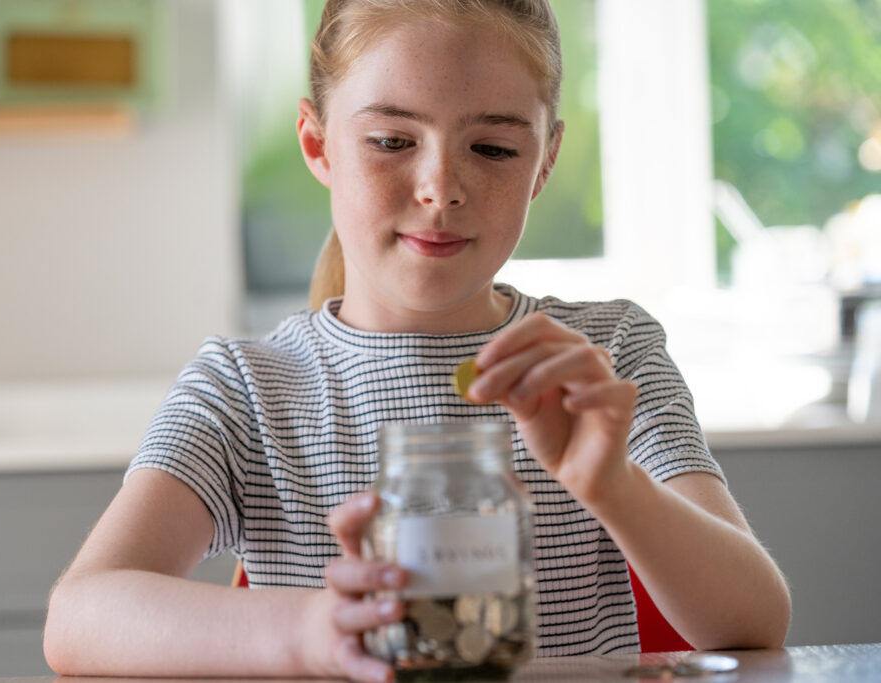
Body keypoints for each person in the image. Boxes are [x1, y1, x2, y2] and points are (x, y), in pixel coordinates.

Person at [43, 1, 791, 681]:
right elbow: (81, 618)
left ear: (544, 162)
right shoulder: (247, 387)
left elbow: (755, 623)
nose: (440, 186)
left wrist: (612, 485)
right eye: (393, 140)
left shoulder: (609, 353)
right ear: (318, 143)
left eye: (493, 149)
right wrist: (311, 631)